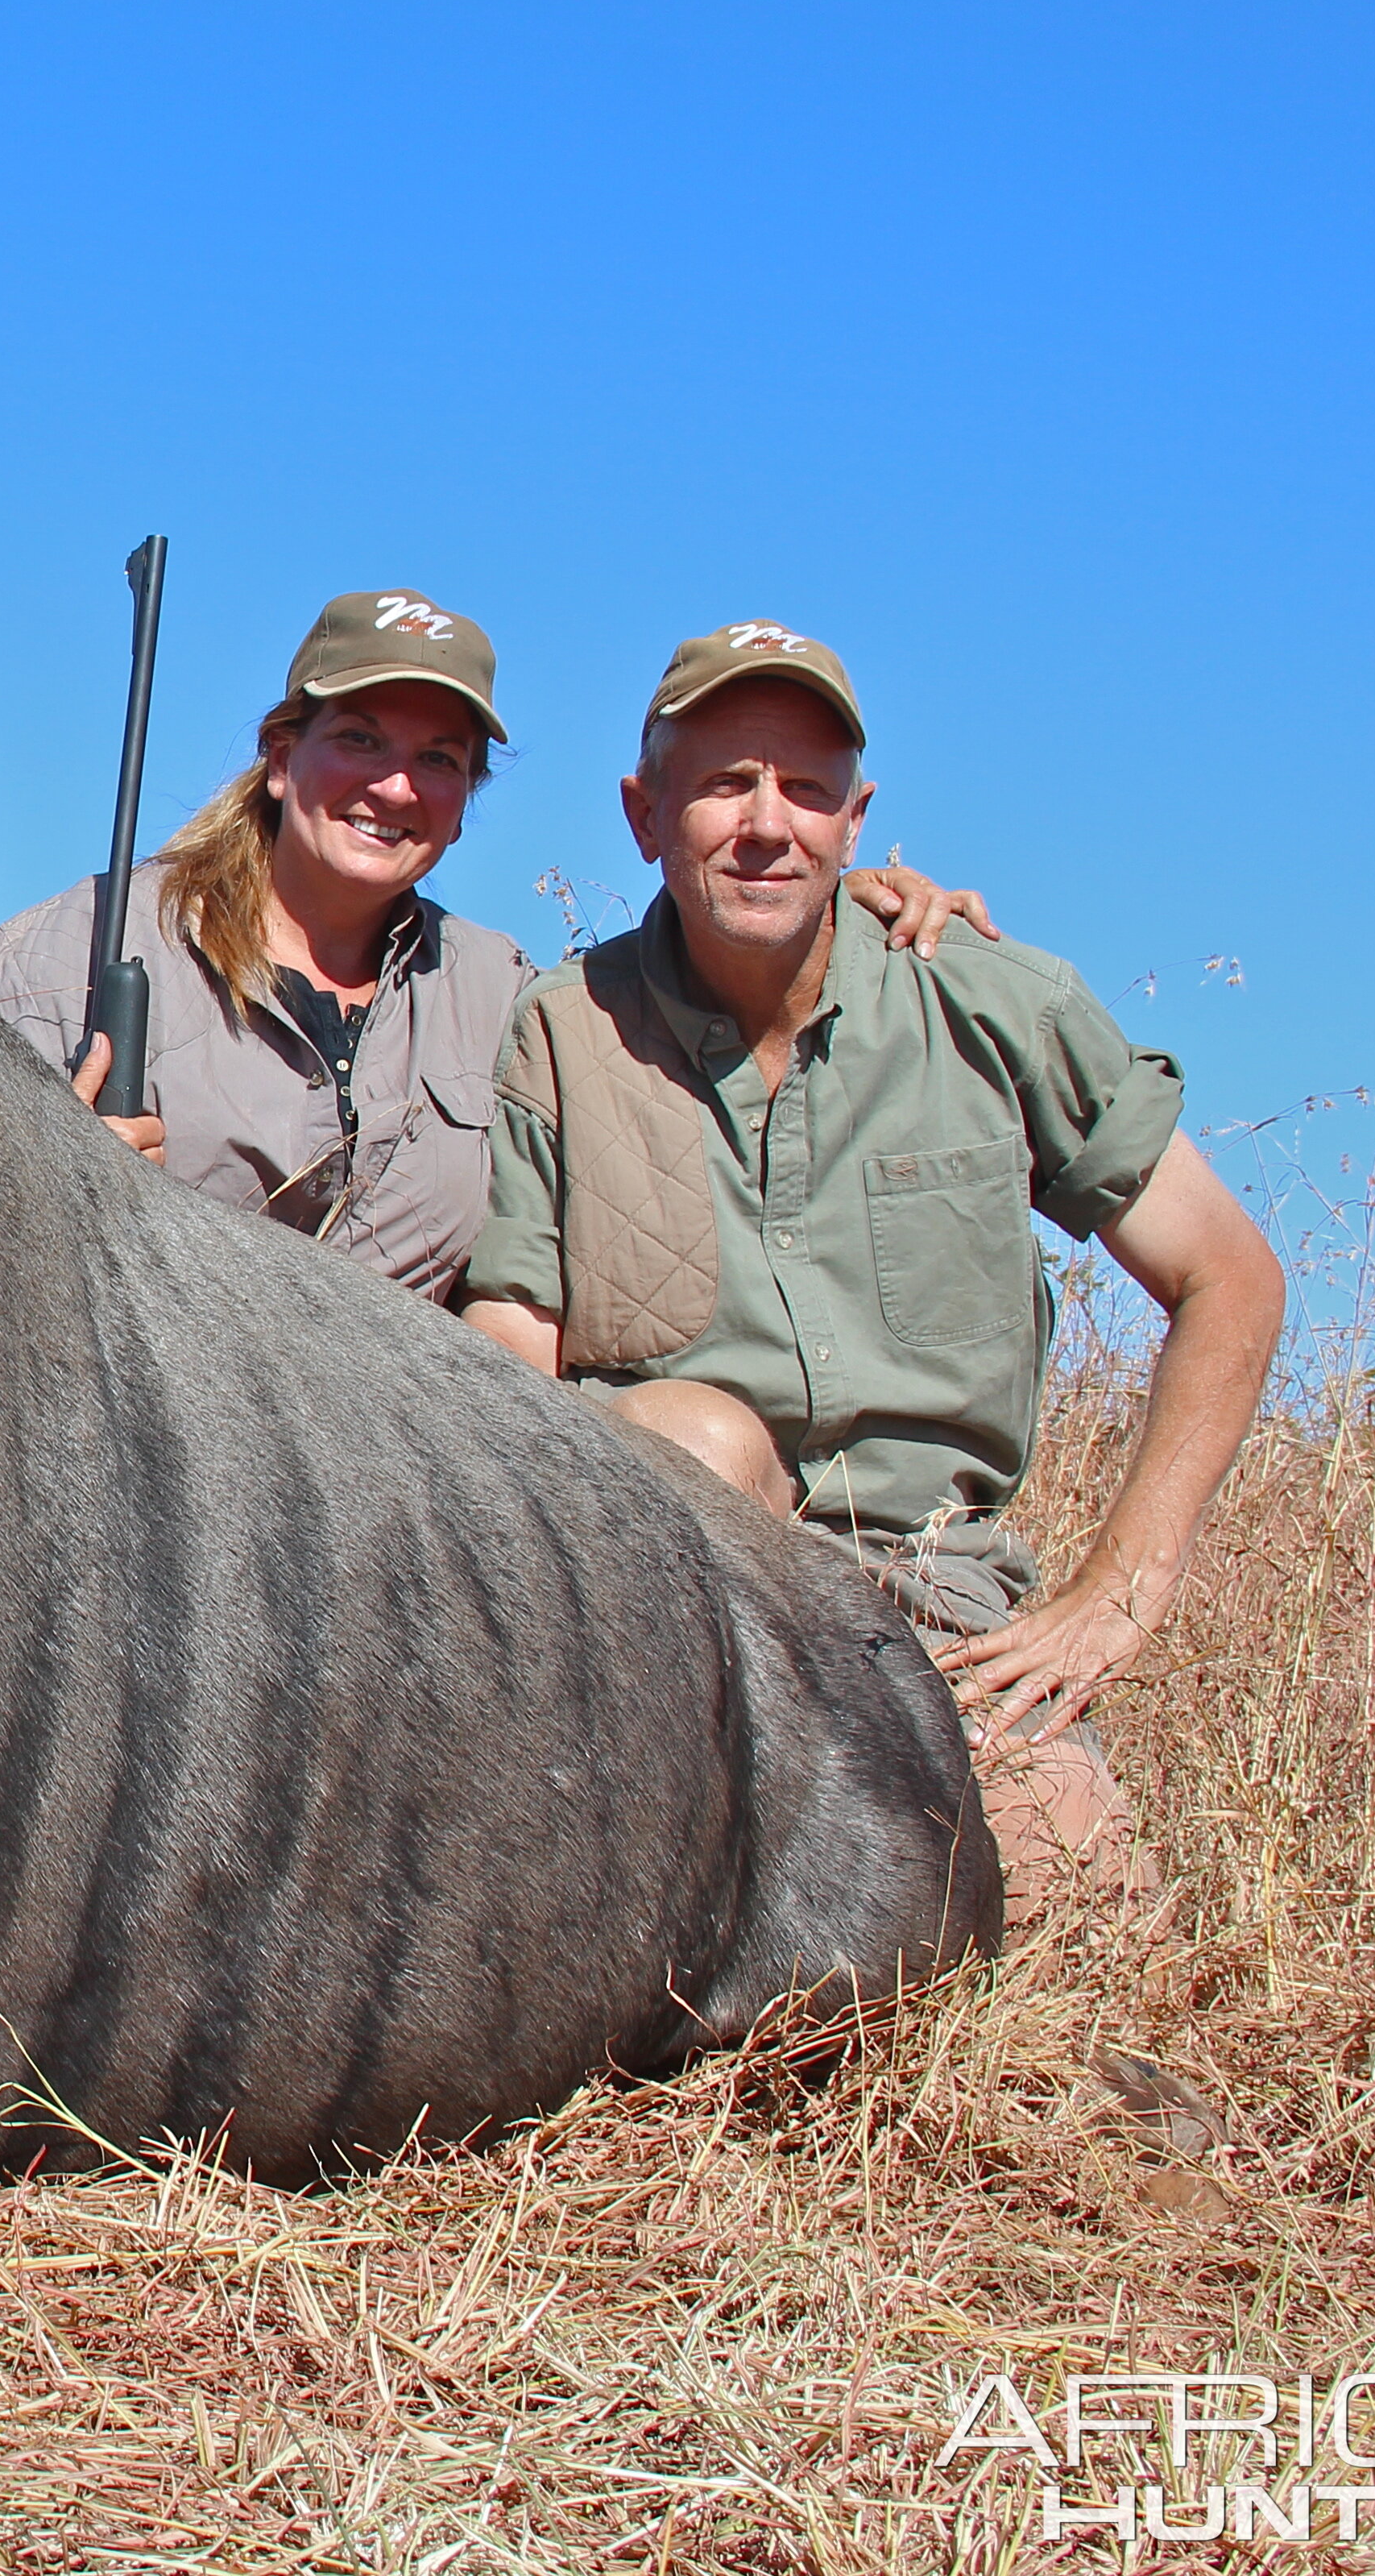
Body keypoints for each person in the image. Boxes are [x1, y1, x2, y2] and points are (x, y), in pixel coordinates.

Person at [462, 620, 1285, 1923]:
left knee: (1073, 1938)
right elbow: (510, 1357)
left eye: (801, 788)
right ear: (642, 813)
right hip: (669, 1611)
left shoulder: (990, 1001)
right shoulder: (563, 1028)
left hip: (931, 1605)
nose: (763, 823)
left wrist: (1114, 1595)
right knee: (697, 1433)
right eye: (723, 781)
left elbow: (1225, 1278)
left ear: (856, 821)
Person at [0, 589, 984, 1304]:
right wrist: (32, 1188)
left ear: (465, 809)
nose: (396, 787)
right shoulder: (75, 950)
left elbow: (695, 995)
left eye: (439, 761)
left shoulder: (505, 992)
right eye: (362, 741)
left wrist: (830, 905)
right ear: (283, 761)